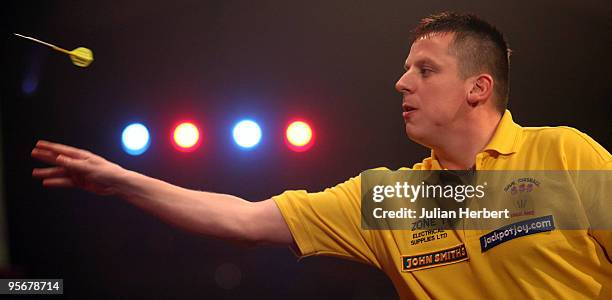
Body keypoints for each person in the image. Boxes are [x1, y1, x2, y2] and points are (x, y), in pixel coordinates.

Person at [31, 12, 610, 299]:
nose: (401, 83)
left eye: (425, 70)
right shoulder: (391, 199)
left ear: (477, 88)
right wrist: (124, 181)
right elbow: (243, 218)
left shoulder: (565, 153)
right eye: (406, 68)